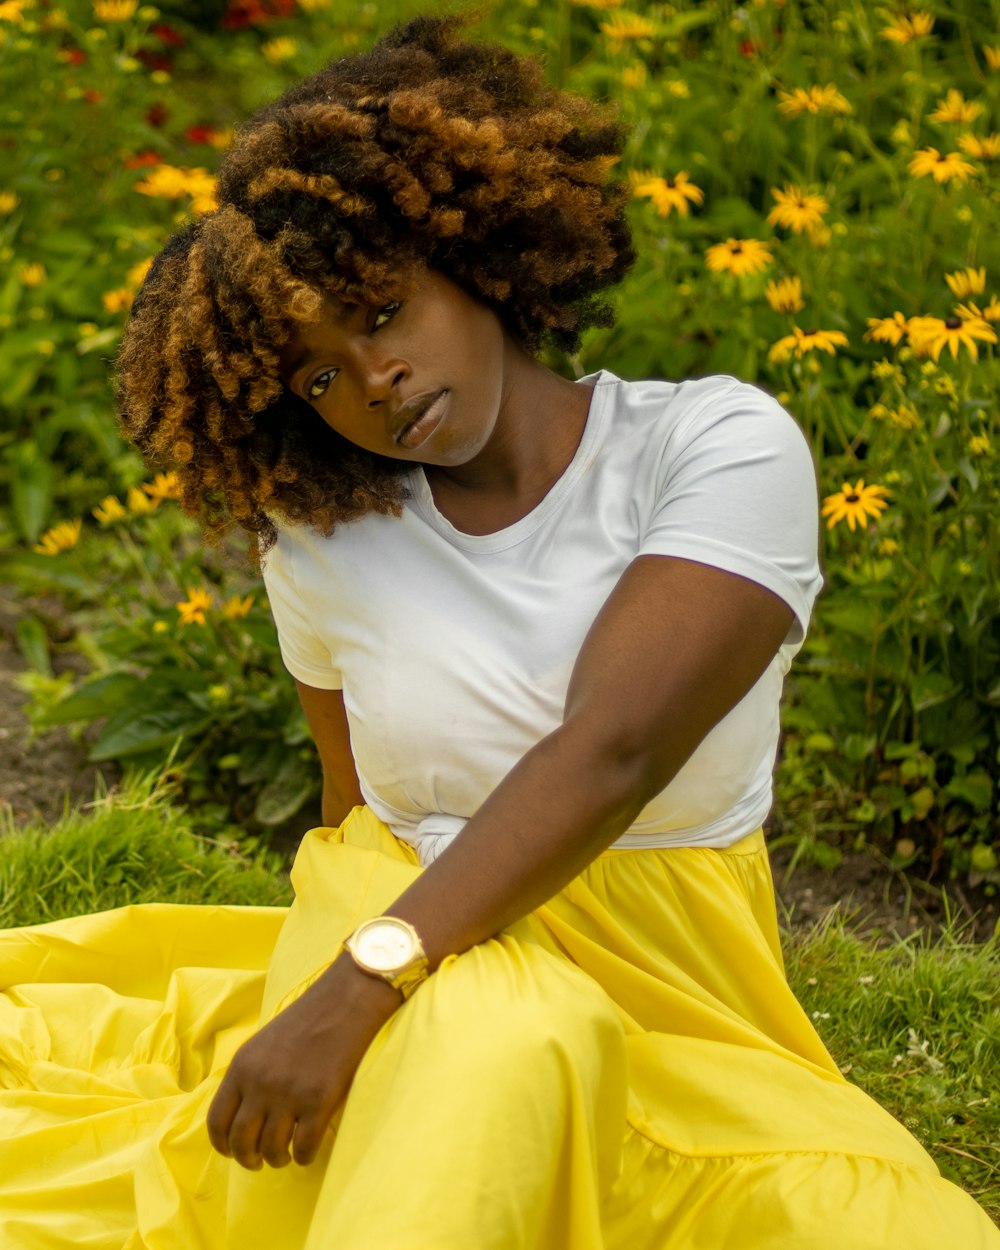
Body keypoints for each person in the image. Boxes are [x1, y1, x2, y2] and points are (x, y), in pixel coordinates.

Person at [0, 15, 997, 1250]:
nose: (369, 380)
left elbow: (614, 747)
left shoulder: (717, 447)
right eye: (315, 377)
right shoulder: (319, 536)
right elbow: (350, 802)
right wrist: (356, 985)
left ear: (468, 252)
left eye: (379, 312)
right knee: (502, 1041)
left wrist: (358, 983)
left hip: (670, 997)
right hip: (414, 938)